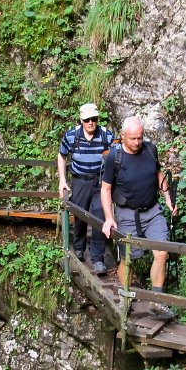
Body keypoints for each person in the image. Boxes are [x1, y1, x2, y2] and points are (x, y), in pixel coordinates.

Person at [100, 116, 177, 319]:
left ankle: (157, 302)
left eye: (140, 138)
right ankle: (126, 299)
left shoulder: (150, 150)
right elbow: (106, 189)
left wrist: (167, 197)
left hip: (152, 211)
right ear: (123, 136)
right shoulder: (114, 158)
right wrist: (109, 217)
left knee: (161, 253)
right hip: (126, 213)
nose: (137, 142)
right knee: (128, 258)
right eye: (133, 138)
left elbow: (157, 174)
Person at [58, 103, 114, 275]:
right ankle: (79, 247)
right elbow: (62, 155)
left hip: (100, 183)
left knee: (99, 215)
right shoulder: (72, 136)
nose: (91, 122)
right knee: (79, 213)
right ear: (81, 120)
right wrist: (62, 180)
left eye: (94, 119)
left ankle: (98, 258)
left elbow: (115, 157)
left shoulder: (106, 135)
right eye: (87, 119)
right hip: (79, 180)